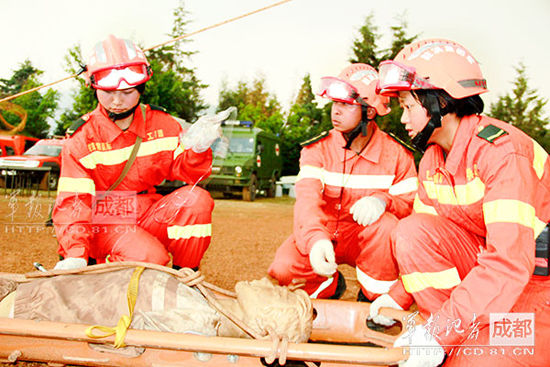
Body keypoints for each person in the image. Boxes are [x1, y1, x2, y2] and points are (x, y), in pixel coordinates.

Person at [371, 38, 550, 366]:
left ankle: (452, 337)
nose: (402, 119)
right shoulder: (432, 161)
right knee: (411, 233)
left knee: (472, 361)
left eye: (408, 106)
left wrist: (437, 335)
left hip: (539, 294)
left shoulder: (502, 154)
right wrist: (394, 299)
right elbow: (424, 242)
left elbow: (509, 263)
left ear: (440, 101)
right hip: (496, 281)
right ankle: (454, 332)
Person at [52, 35, 224, 271]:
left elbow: (191, 175)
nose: (117, 101)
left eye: (127, 91)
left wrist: (198, 149)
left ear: (141, 87)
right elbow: (74, 201)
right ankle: (100, 271)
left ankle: (186, 279)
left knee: (197, 200)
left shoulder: (162, 124)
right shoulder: (81, 138)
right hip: (105, 221)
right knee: (150, 259)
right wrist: (76, 254)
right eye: (109, 92)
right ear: (93, 87)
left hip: (148, 212)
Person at [268, 63, 417, 300]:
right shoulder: (316, 149)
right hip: (325, 232)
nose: (335, 112)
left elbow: (409, 205)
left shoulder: (398, 154)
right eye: (334, 103)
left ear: (369, 112)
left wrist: (383, 201)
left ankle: (374, 298)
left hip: (368, 240)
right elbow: (307, 200)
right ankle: (330, 286)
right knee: (284, 268)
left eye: (346, 105)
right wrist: (316, 239)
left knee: (388, 225)